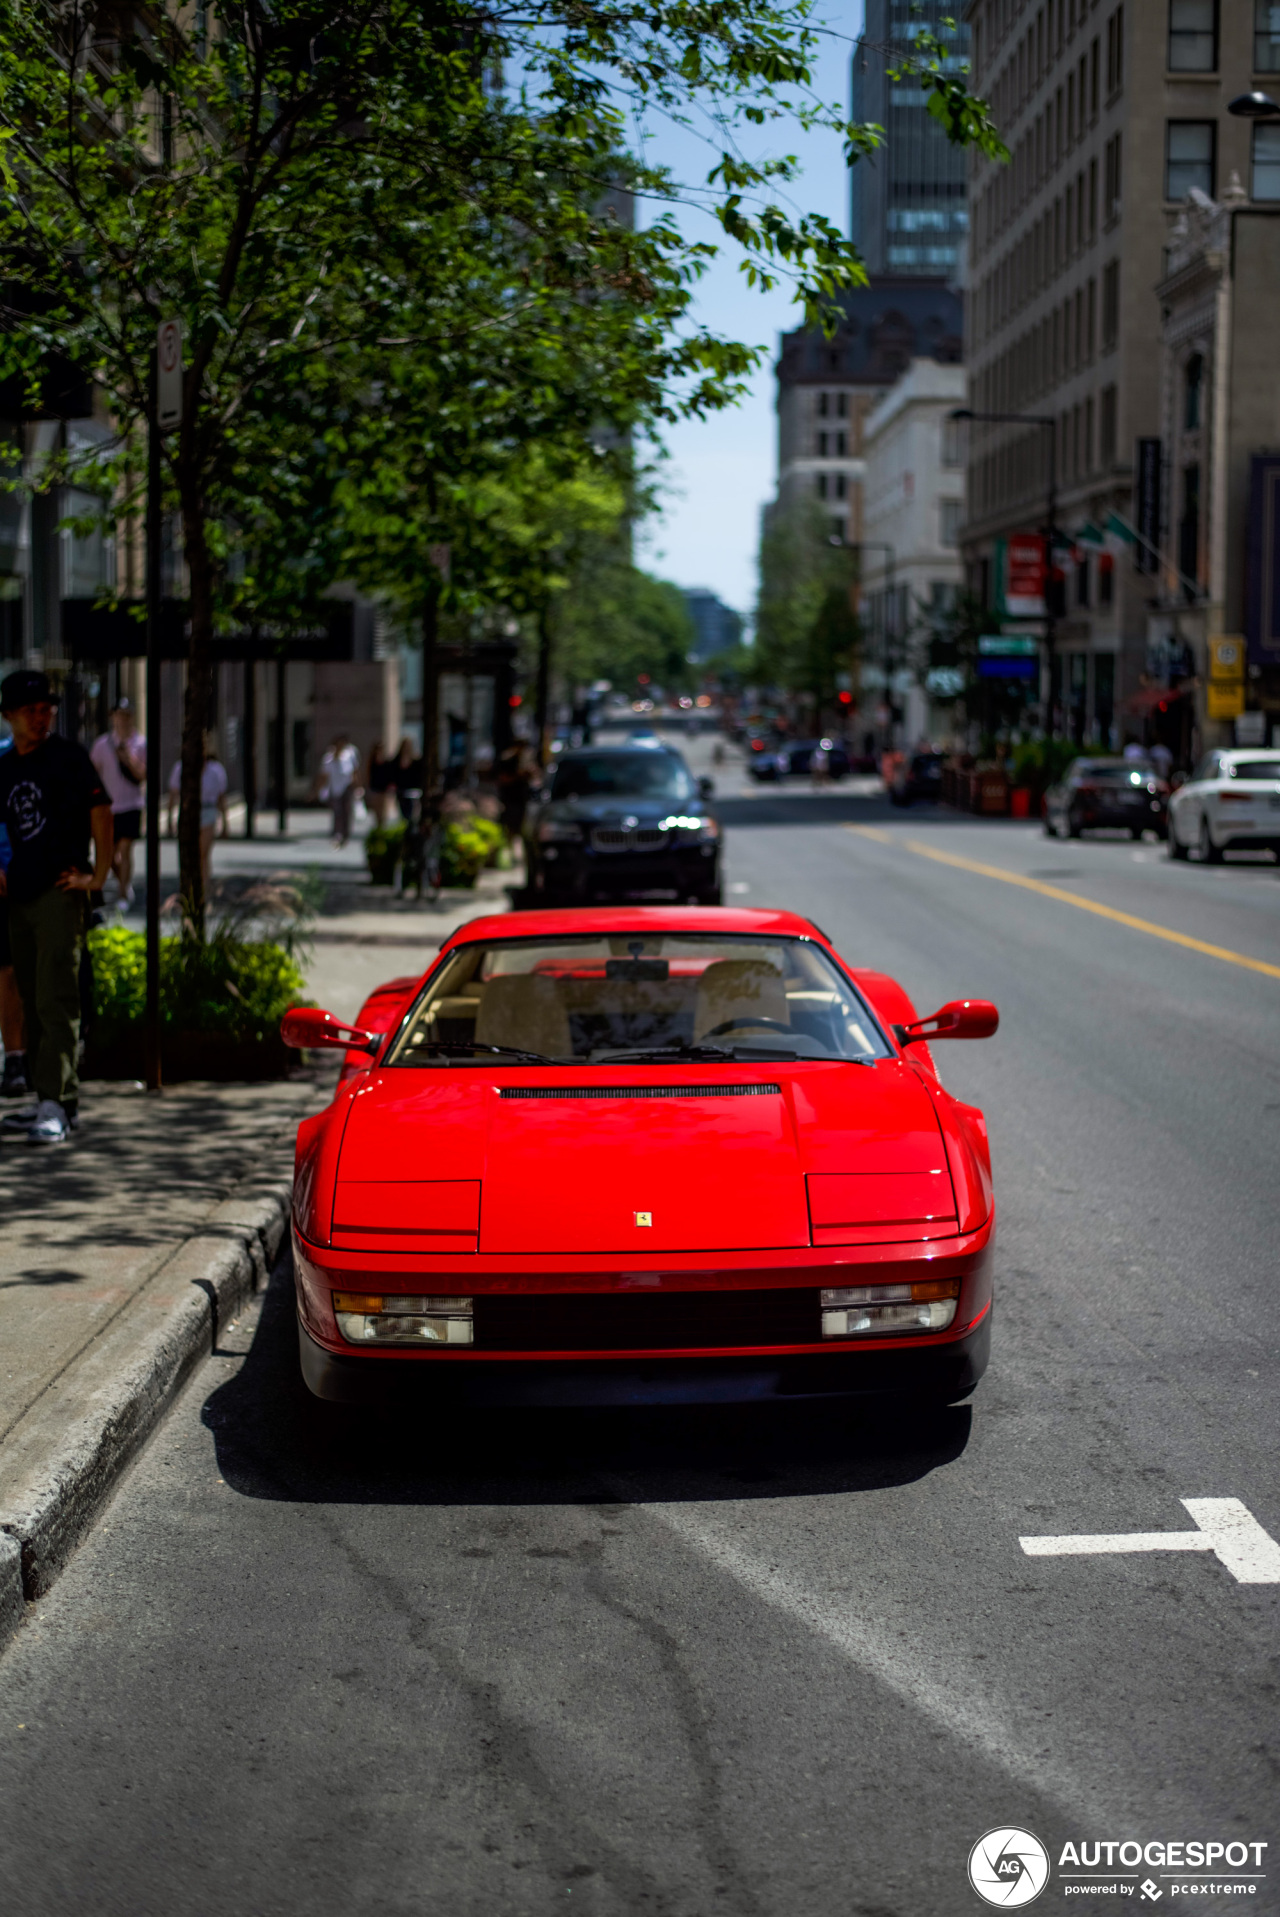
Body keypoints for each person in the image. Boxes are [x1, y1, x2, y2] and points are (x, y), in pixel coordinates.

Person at [0, 670, 112, 1145]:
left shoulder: (68, 758)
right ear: (9, 716)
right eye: (31, 710)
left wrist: (99, 876)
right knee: (29, 996)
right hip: (18, 895)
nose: (42, 717)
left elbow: (102, 811)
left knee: (56, 996)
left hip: (61, 892)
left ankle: (58, 1103)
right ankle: (46, 1097)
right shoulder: (5, 765)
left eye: (47, 709)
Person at [90, 698, 146, 905]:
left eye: (126, 715)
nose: (122, 719)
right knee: (110, 854)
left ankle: (123, 892)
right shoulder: (102, 744)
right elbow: (91, 774)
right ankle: (121, 879)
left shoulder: (141, 743)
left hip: (131, 804)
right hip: (109, 807)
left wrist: (128, 757)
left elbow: (142, 775)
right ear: (113, 717)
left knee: (125, 849)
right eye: (119, 715)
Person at [0, 728, 31, 1099]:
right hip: (6, 880)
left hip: (40, 880)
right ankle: (16, 1058)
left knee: (38, 973)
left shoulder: (58, 758)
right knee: (8, 973)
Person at [167, 738, 230, 888]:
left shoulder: (215, 770)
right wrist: (170, 820)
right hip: (188, 812)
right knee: (190, 854)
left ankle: (204, 888)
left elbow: (221, 798)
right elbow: (173, 795)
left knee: (203, 854)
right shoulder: (180, 768)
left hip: (208, 811)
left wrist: (225, 823)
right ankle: (189, 889)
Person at [319, 732, 361, 846]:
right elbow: (324, 776)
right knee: (337, 812)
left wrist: (358, 786)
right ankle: (337, 833)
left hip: (347, 787)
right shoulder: (328, 758)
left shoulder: (349, 756)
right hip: (334, 788)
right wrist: (320, 789)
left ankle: (345, 834)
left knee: (346, 811)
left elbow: (354, 772)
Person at [365, 742, 393, 825]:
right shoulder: (372, 761)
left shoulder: (386, 762)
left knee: (383, 808)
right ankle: (377, 824)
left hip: (384, 788)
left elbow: (389, 775)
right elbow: (368, 774)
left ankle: (382, 824)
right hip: (374, 788)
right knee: (376, 809)